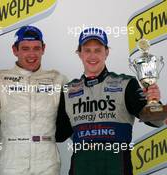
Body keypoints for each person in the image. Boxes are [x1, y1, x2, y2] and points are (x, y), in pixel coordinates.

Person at [55, 27, 165, 175]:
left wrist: (154, 102)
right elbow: (59, 134)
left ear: (106, 52)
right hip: (81, 169)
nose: (92, 56)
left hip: (117, 169)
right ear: (79, 53)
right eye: (87, 50)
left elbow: (155, 121)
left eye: (97, 50)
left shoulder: (126, 83)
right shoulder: (68, 90)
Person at [0, 25, 67, 175]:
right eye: (25, 48)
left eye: (36, 48)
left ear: (43, 49)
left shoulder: (58, 79)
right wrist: (11, 141)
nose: (31, 54)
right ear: (15, 50)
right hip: (12, 161)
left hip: (47, 161)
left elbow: (69, 121)